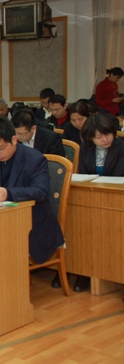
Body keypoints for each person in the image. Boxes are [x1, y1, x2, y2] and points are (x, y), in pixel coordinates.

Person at [0, 115, 65, 267]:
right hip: (1, 219)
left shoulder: (34, 158)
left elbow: (41, 191)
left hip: (32, 222)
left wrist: (9, 193)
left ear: (14, 140)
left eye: (1, 148)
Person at [73, 113, 124, 292]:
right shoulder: (86, 147)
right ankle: (85, 271)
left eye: (107, 134)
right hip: (91, 198)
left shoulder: (121, 147)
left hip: (117, 199)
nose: (105, 139)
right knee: (82, 228)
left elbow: (118, 177)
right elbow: (82, 174)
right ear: (90, 138)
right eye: (99, 137)